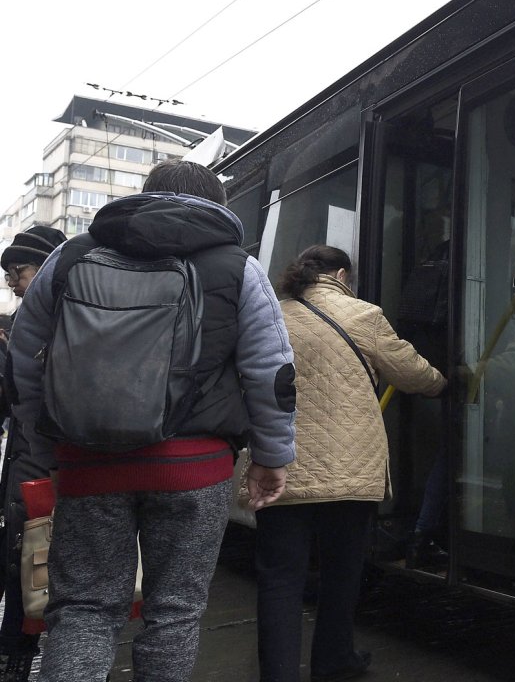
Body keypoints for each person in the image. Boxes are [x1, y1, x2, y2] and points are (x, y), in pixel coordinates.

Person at [7, 161, 296, 682]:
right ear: (220, 204)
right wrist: (272, 457)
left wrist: (47, 450)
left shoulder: (72, 255)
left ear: (145, 196)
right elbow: (270, 371)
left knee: (84, 609)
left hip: (88, 462)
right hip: (196, 467)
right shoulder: (238, 265)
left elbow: (25, 360)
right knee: (175, 613)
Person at [256, 245, 446, 682]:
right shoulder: (363, 314)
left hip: (281, 465)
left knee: (280, 579)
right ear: (341, 275)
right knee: (342, 572)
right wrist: (445, 382)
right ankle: (333, 660)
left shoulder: (270, 314)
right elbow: (411, 372)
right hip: (349, 469)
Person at [0, 225, 66, 680]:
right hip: (39, 460)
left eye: (17, 270)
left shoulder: (40, 319)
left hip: (38, 464)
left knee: (26, 561)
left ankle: (17, 654)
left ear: (44, 266)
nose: (10, 281)